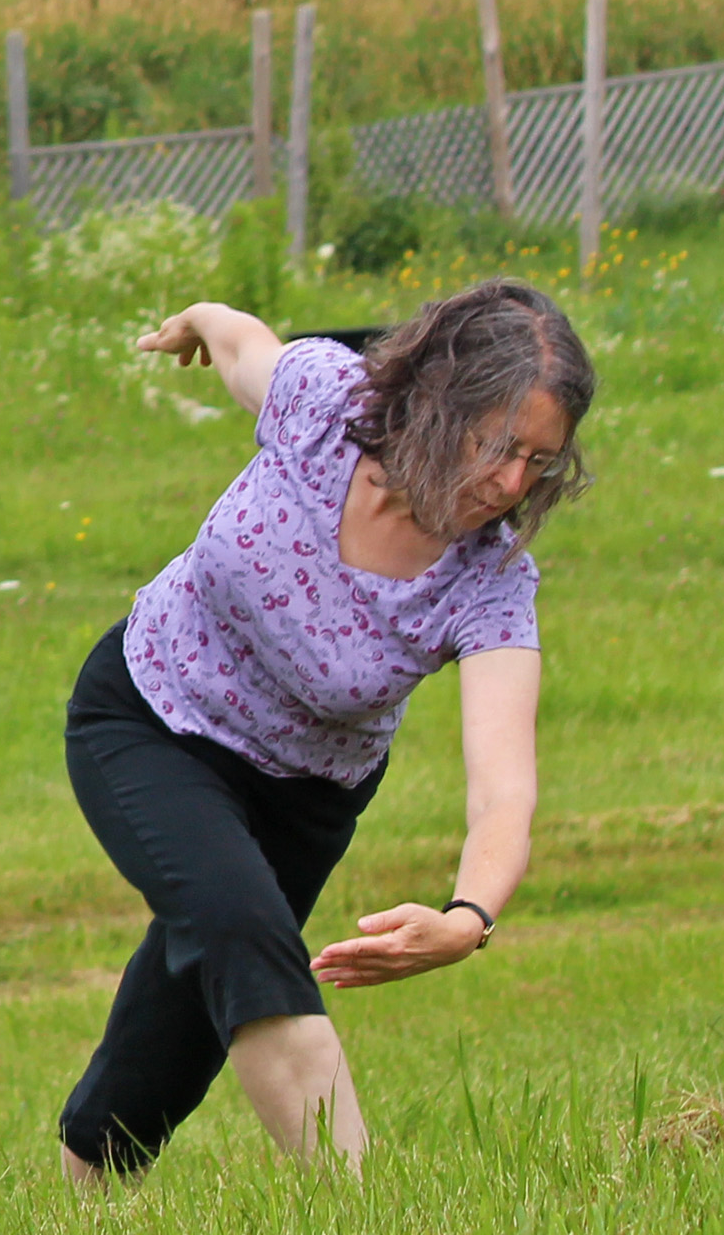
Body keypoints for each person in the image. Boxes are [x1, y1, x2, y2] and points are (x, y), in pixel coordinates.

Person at [57, 279, 594, 1180]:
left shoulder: (488, 581)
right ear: (438, 403)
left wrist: (470, 918)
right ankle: (364, 1223)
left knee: (187, 1018)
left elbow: (504, 788)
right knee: (239, 931)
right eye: (498, 446)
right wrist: (201, 316)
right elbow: (242, 346)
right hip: (152, 715)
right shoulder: (323, 405)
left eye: (538, 463)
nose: (511, 483)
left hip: (304, 801)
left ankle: (81, 1204)